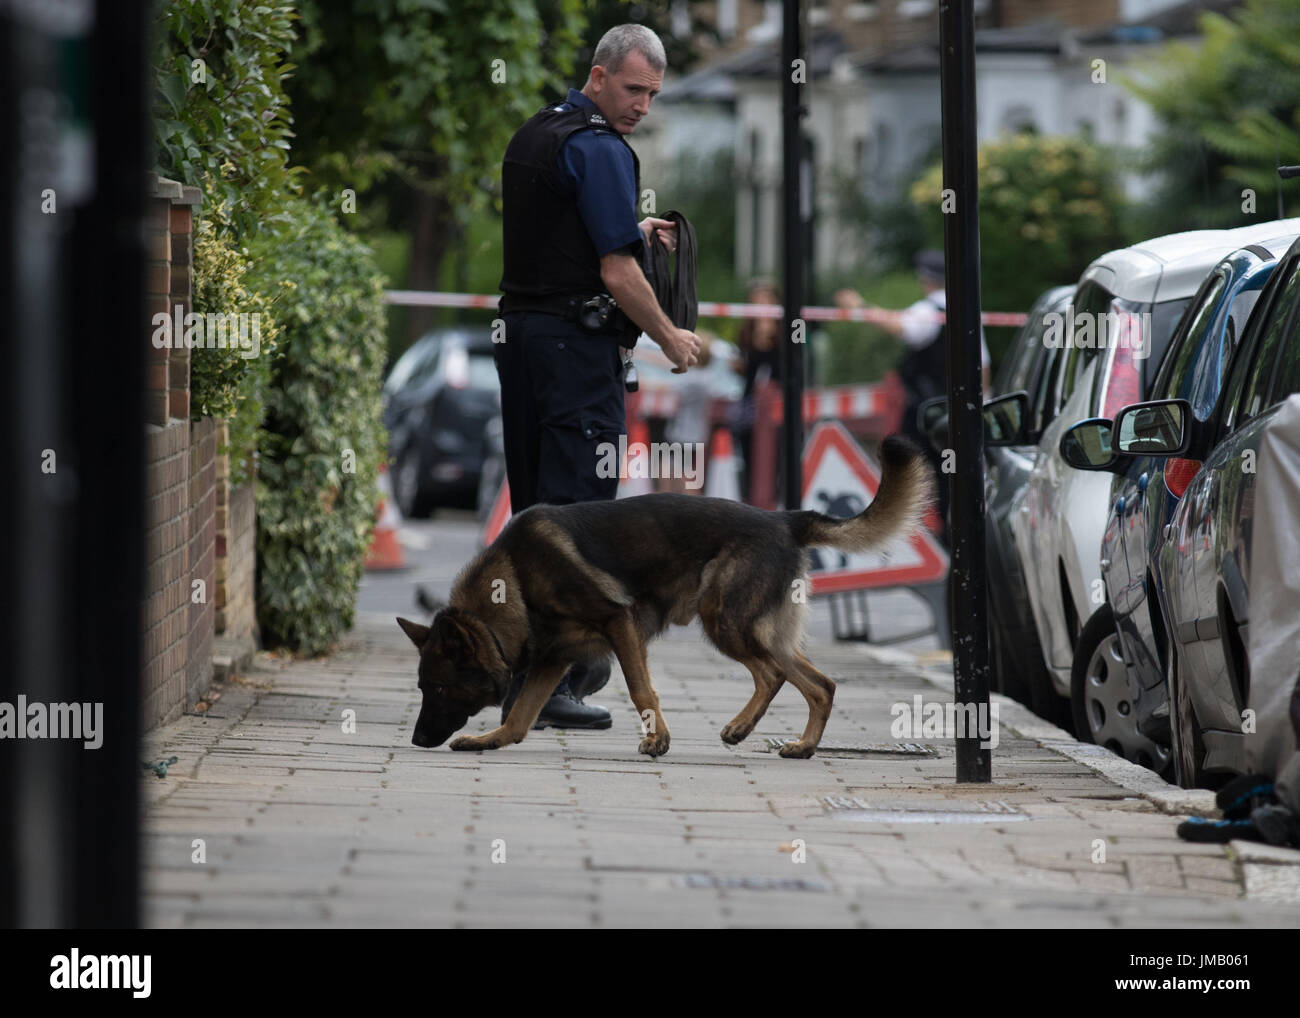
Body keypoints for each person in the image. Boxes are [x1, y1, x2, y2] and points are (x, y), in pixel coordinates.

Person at [494, 23, 702, 730]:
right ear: (599, 75)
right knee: (577, 519)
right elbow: (616, 274)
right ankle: (555, 684)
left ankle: (521, 675)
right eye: (634, 88)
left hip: (522, 339)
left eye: (652, 94)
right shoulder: (601, 148)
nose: (642, 105)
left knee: (536, 513)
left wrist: (630, 231)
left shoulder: (536, 135)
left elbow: (561, 237)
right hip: (576, 355)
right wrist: (669, 335)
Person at [834, 250, 990, 537]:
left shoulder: (929, 310)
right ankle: (954, 535)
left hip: (927, 413)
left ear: (925, 279)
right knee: (953, 478)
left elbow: (899, 327)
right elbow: (984, 364)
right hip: (958, 410)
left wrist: (859, 306)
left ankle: (907, 533)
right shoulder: (967, 310)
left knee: (905, 469)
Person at [731, 278, 781, 501]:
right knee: (747, 443)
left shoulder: (794, 324)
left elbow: (797, 355)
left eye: (765, 300)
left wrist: (770, 338)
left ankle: (778, 494)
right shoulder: (746, 328)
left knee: (779, 451)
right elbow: (748, 368)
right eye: (756, 301)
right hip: (752, 399)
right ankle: (750, 495)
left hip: (780, 399)